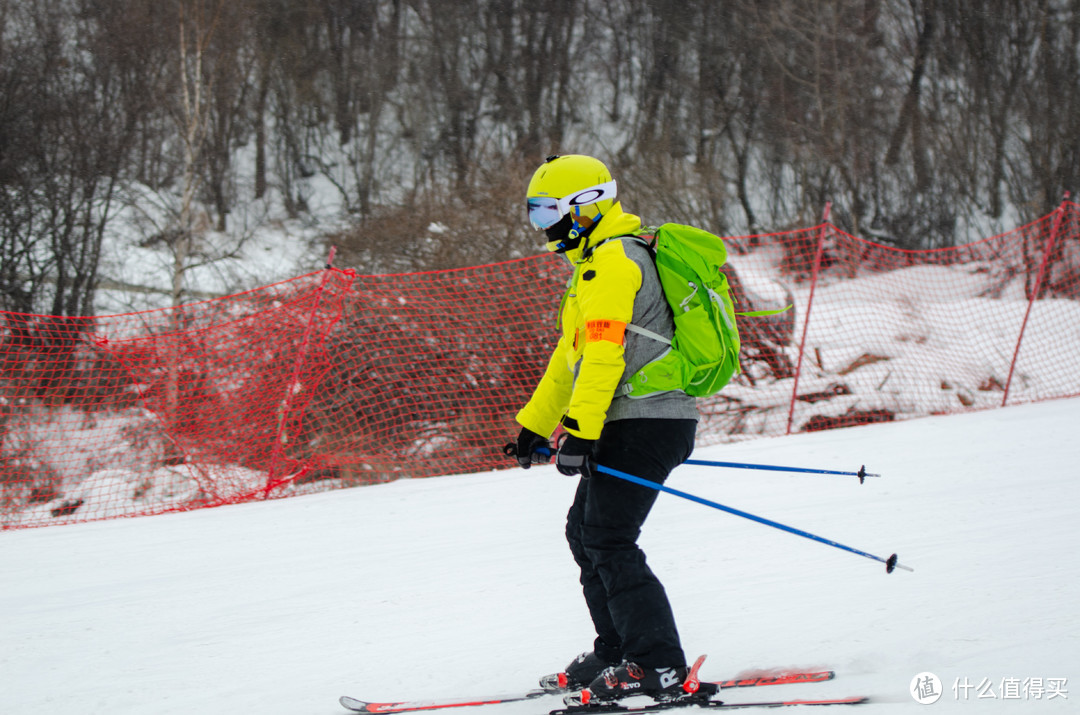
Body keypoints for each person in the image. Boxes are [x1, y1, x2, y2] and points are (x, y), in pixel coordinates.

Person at [511, 155, 700, 703]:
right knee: (585, 534)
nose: (543, 227)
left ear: (584, 207)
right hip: (628, 421)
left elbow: (603, 355)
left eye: (548, 212)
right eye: (535, 214)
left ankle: (658, 665)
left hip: (648, 420)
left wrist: (581, 431)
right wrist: (535, 427)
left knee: (609, 539)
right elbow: (569, 360)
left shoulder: (613, 262)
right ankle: (618, 651)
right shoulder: (594, 264)